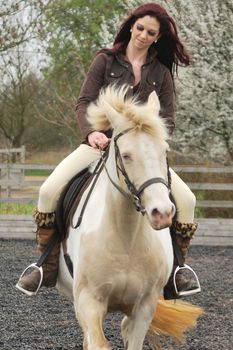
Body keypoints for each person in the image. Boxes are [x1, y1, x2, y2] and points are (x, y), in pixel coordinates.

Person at [16, 2, 199, 298]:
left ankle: (177, 271)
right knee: (48, 191)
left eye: (150, 32)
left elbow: (167, 121)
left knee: (187, 200)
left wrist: (149, 143)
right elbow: (84, 101)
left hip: (140, 156)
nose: (142, 35)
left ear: (157, 38)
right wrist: (92, 134)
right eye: (140, 28)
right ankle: (45, 265)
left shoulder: (161, 72)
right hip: (100, 146)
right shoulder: (105, 61)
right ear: (131, 26)